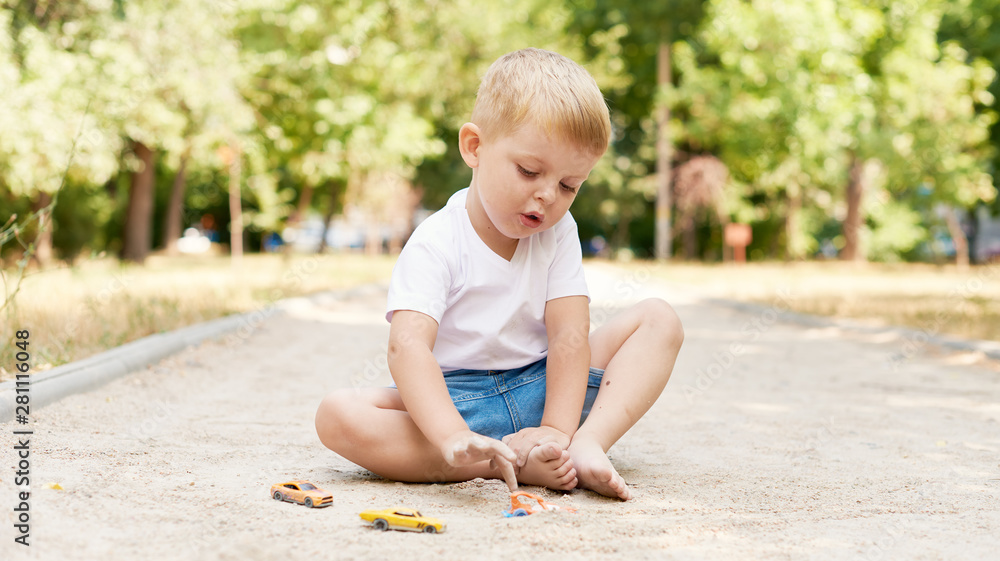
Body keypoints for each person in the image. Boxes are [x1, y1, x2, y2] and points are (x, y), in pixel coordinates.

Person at [315, 48, 684, 500]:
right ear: (475, 147)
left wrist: (556, 428)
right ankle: (494, 461)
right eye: (529, 171)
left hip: (547, 389)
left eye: (569, 185)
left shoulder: (559, 231)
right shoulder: (437, 240)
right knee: (337, 414)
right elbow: (407, 347)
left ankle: (584, 445)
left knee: (659, 319)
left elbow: (570, 335)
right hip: (456, 402)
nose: (548, 195)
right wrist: (451, 434)